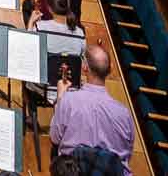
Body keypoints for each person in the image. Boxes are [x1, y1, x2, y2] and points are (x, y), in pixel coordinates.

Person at [48, 44, 135, 174]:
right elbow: (127, 156)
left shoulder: (69, 100)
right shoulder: (125, 114)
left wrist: (60, 98)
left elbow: (54, 138)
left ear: (84, 67)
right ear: (110, 69)